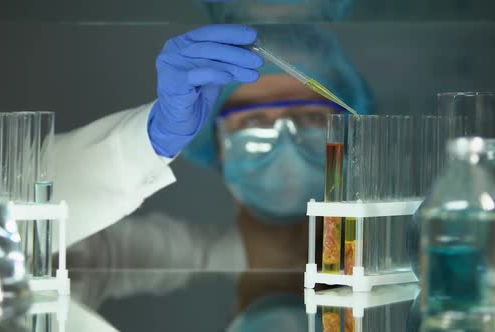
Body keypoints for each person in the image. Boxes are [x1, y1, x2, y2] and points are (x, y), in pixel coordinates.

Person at [65, 24, 373, 271]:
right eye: (254, 120)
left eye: (309, 117)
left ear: (347, 137)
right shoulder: (139, 256)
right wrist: (148, 140)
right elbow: (33, 251)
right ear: (216, 143)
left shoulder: (396, 256)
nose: (285, 141)